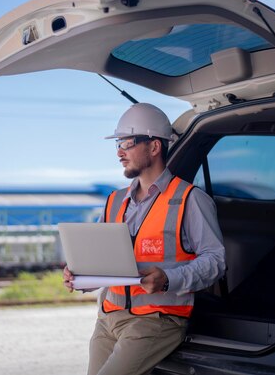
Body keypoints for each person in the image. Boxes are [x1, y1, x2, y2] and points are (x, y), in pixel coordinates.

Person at [63, 102, 225, 375]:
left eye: (126, 143)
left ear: (154, 147)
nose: (119, 152)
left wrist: (168, 278)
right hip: (108, 317)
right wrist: (79, 275)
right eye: (118, 144)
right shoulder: (114, 201)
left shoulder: (189, 199)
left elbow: (216, 261)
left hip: (156, 319)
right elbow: (102, 260)